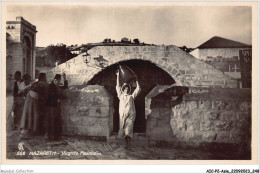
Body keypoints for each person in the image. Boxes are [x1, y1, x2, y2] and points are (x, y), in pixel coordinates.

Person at [116, 71, 141, 150]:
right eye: (125, 89)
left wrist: (137, 80)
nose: (126, 90)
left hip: (130, 115)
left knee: (128, 130)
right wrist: (117, 76)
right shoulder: (120, 95)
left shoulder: (131, 96)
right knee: (123, 129)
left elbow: (138, 89)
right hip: (122, 116)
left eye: (127, 89)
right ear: (123, 89)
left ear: (129, 89)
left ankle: (128, 145)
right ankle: (126, 144)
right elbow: (117, 86)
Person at [19, 73, 48, 139]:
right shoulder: (44, 84)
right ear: (44, 78)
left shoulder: (35, 83)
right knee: (33, 114)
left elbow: (25, 90)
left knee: (27, 113)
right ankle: (29, 131)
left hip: (28, 97)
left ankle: (25, 131)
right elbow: (46, 96)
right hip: (33, 99)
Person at [46, 73, 68, 140]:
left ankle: (54, 135)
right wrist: (62, 97)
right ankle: (50, 136)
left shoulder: (56, 86)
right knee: (51, 121)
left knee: (55, 120)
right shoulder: (50, 86)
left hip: (55, 106)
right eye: (58, 81)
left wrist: (65, 79)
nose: (59, 82)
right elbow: (53, 95)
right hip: (51, 106)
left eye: (59, 81)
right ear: (55, 80)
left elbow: (65, 87)